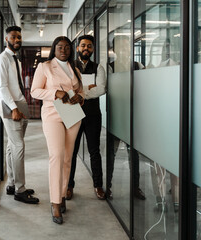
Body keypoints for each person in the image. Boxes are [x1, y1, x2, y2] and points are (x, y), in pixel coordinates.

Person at [31, 36, 84, 224]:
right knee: (56, 155)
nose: (64, 50)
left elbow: (81, 92)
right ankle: (54, 203)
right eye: (60, 47)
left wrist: (80, 97)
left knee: (68, 158)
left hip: (72, 115)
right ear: (54, 49)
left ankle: (62, 196)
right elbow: (34, 91)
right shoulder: (45, 67)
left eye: (67, 47)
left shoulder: (74, 68)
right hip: (53, 114)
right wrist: (55, 93)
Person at [0, 26, 39, 204]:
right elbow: (1, 87)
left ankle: (13, 183)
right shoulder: (2, 59)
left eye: (19, 37)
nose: (17, 40)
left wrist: (21, 105)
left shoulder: (17, 59)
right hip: (10, 105)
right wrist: (13, 108)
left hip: (21, 103)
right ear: (7, 39)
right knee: (19, 146)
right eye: (13, 37)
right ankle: (20, 190)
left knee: (11, 146)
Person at [66, 35, 107, 201]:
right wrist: (90, 90)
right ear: (77, 48)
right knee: (72, 151)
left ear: (92, 49)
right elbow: (66, 87)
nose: (86, 49)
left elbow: (102, 89)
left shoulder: (99, 68)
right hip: (73, 114)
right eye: (83, 46)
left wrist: (81, 94)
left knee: (94, 151)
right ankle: (68, 186)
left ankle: (98, 185)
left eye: (89, 46)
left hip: (92, 115)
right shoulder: (69, 66)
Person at [107, 35, 145, 200]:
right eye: (120, 47)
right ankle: (107, 186)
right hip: (116, 117)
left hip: (133, 117)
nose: (124, 50)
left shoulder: (138, 66)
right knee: (111, 154)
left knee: (134, 154)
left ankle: (135, 187)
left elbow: (144, 88)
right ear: (114, 50)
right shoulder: (109, 67)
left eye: (126, 46)